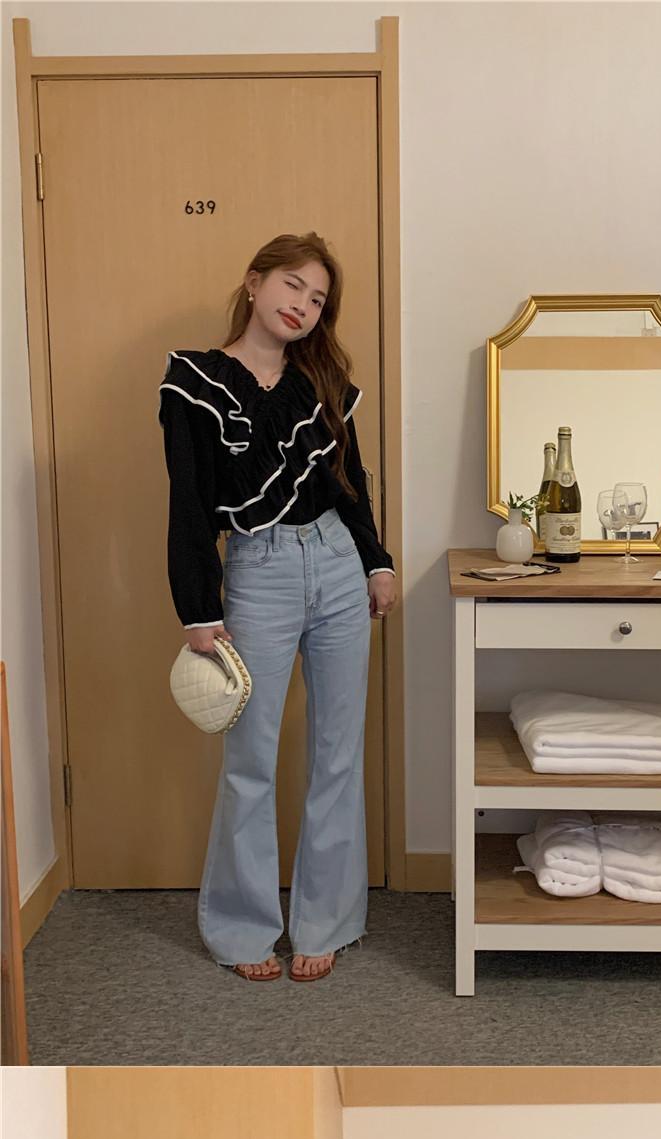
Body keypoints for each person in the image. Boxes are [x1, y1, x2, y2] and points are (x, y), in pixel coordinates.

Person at [159, 233, 396, 983]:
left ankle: (327, 921)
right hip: (256, 570)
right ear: (255, 282)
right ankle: (243, 929)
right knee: (250, 759)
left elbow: (352, 479)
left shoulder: (322, 382)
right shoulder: (195, 381)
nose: (303, 305)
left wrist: (377, 561)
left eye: (318, 298)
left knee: (338, 752)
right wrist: (198, 608)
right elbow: (189, 503)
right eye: (293, 285)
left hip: (336, 562)